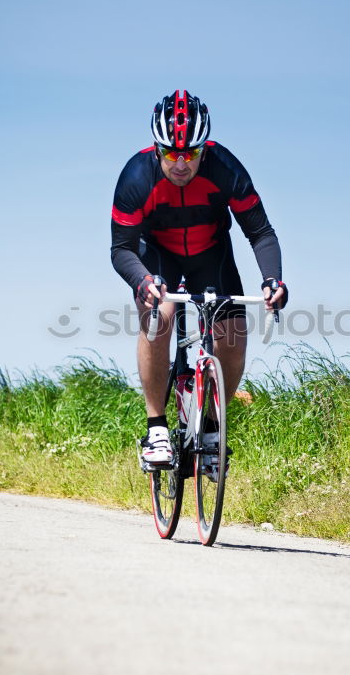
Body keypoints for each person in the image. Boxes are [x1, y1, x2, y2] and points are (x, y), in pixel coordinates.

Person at [111, 90, 288, 469]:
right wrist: (142, 281)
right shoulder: (135, 178)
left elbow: (260, 233)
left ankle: (210, 427)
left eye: (189, 154)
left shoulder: (225, 168)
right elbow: (121, 250)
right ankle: (156, 427)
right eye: (170, 153)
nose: (179, 163)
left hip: (211, 254)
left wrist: (273, 280)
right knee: (161, 314)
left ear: (203, 150)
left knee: (234, 337)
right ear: (157, 148)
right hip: (157, 257)